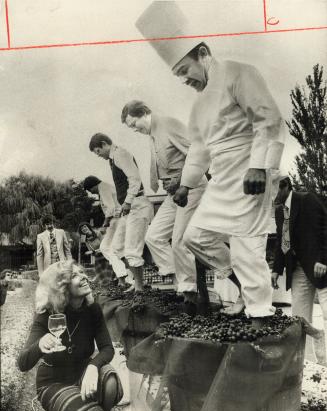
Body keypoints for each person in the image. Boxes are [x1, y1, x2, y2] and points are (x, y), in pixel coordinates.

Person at [136, 1, 285, 323]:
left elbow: (269, 120)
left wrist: (259, 165)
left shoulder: (239, 72)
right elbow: (199, 149)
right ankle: (246, 289)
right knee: (194, 237)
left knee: (248, 247)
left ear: (202, 52)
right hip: (221, 178)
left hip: (250, 172)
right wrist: (186, 186)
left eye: (184, 70)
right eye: (177, 75)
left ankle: (260, 316)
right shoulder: (198, 106)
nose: (183, 79)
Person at [17, 260, 123, 411]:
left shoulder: (93, 309)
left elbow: (107, 348)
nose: (84, 276)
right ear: (63, 287)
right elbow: (23, 363)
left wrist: (93, 366)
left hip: (83, 373)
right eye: (75, 275)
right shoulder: (47, 315)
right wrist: (40, 345)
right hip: (53, 381)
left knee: (110, 383)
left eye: (83, 272)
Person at [121, 100, 216, 310]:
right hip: (173, 194)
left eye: (133, 123)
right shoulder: (152, 134)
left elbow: (199, 153)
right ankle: (179, 283)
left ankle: (189, 294)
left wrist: (182, 179)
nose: (134, 129)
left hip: (191, 188)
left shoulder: (168, 124)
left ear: (145, 112)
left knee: (179, 241)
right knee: (153, 237)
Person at [272, 177, 327, 365]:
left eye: (275, 190)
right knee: (300, 320)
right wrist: (277, 269)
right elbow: (282, 242)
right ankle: (311, 364)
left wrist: (323, 260)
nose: (272, 196)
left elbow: (325, 229)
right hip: (297, 270)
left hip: (321, 267)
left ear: (286, 186)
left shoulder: (307, 200)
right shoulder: (279, 213)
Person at [88, 134, 154, 292]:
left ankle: (139, 287)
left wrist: (128, 201)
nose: (98, 155)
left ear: (104, 144)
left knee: (132, 249)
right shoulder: (112, 159)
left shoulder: (120, 154)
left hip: (136, 205)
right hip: (129, 209)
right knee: (116, 248)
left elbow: (135, 179)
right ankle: (136, 282)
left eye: (98, 151)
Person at [82, 177, 130, 288]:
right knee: (110, 249)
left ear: (93, 185)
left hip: (115, 220)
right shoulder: (106, 186)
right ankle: (122, 277)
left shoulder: (102, 187)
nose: (91, 193)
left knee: (107, 248)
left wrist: (105, 224)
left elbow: (111, 208)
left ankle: (123, 278)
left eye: (90, 190)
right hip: (117, 219)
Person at [77, 222, 114, 287]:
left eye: (85, 226)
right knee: (98, 269)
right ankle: (105, 281)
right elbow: (89, 250)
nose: (84, 229)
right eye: (82, 228)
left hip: (106, 253)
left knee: (106, 266)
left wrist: (93, 252)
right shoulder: (85, 238)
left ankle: (112, 279)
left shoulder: (97, 233)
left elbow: (105, 246)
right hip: (97, 255)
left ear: (88, 227)